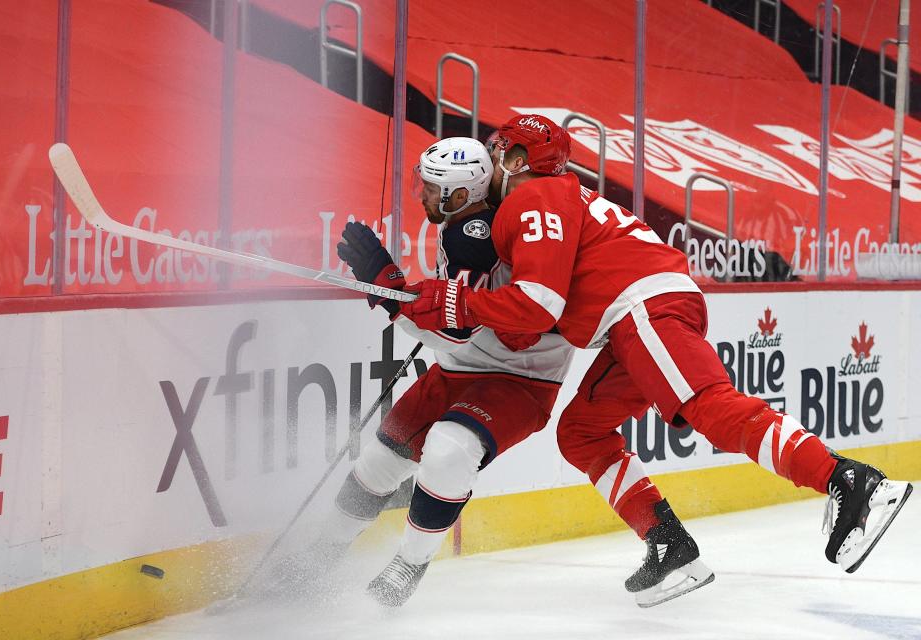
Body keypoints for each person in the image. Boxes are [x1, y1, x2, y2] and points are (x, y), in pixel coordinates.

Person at [398, 114, 913, 581]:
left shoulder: (533, 199)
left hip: (642, 306)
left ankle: (848, 479)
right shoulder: (555, 198)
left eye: (501, 150)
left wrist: (456, 303)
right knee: (580, 433)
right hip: (633, 315)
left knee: (708, 405)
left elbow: (537, 305)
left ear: (517, 161)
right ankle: (668, 544)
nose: (491, 160)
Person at [287, 136, 707, 609]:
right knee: (379, 464)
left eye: (428, 187)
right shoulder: (471, 223)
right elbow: (459, 329)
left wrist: (389, 291)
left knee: (449, 449)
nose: (420, 195)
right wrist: (397, 295)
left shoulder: (478, 238)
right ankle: (319, 557)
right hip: (458, 369)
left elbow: (463, 329)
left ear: (460, 194)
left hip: (518, 381)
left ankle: (408, 563)